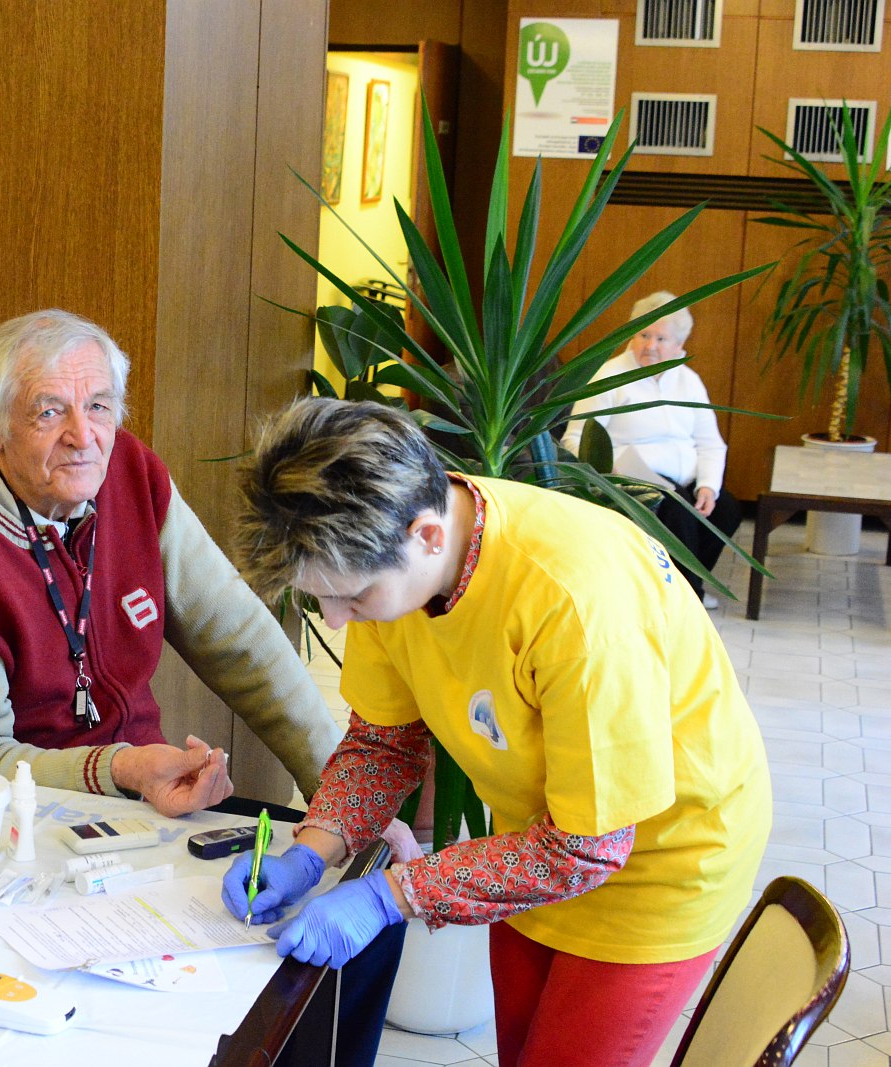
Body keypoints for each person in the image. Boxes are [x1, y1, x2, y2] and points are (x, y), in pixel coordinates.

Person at [226, 398, 771, 1067]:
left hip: (663, 860)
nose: (337, 621)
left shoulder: (573, 601)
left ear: (427, 535)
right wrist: (309, 851)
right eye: (321, 598)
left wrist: (391, 894)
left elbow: (590, 846)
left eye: (353, 597)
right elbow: (383, 741)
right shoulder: (392, 555)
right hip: (538, 835)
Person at [0, 309, 342, 816]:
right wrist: (120, 769)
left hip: (143, 808)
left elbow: (240, 638)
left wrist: (343, 796)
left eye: (98, 406)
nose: (82, 436)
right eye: (49, 412)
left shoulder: (131, 474)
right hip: (12, 823)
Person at [561, 291, 743, 608]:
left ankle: (680, 588)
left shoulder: (689, 380)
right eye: (643, 334)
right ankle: (689, 601)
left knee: (726, 509)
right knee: (678, 508)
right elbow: (574, 439)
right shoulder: (608, 376)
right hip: (630, 476)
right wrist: (609, 466)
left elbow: (710, 443)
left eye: (661, 338)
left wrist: (709, 486)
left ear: (679, 346)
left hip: (685, 477)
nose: (650, 345)